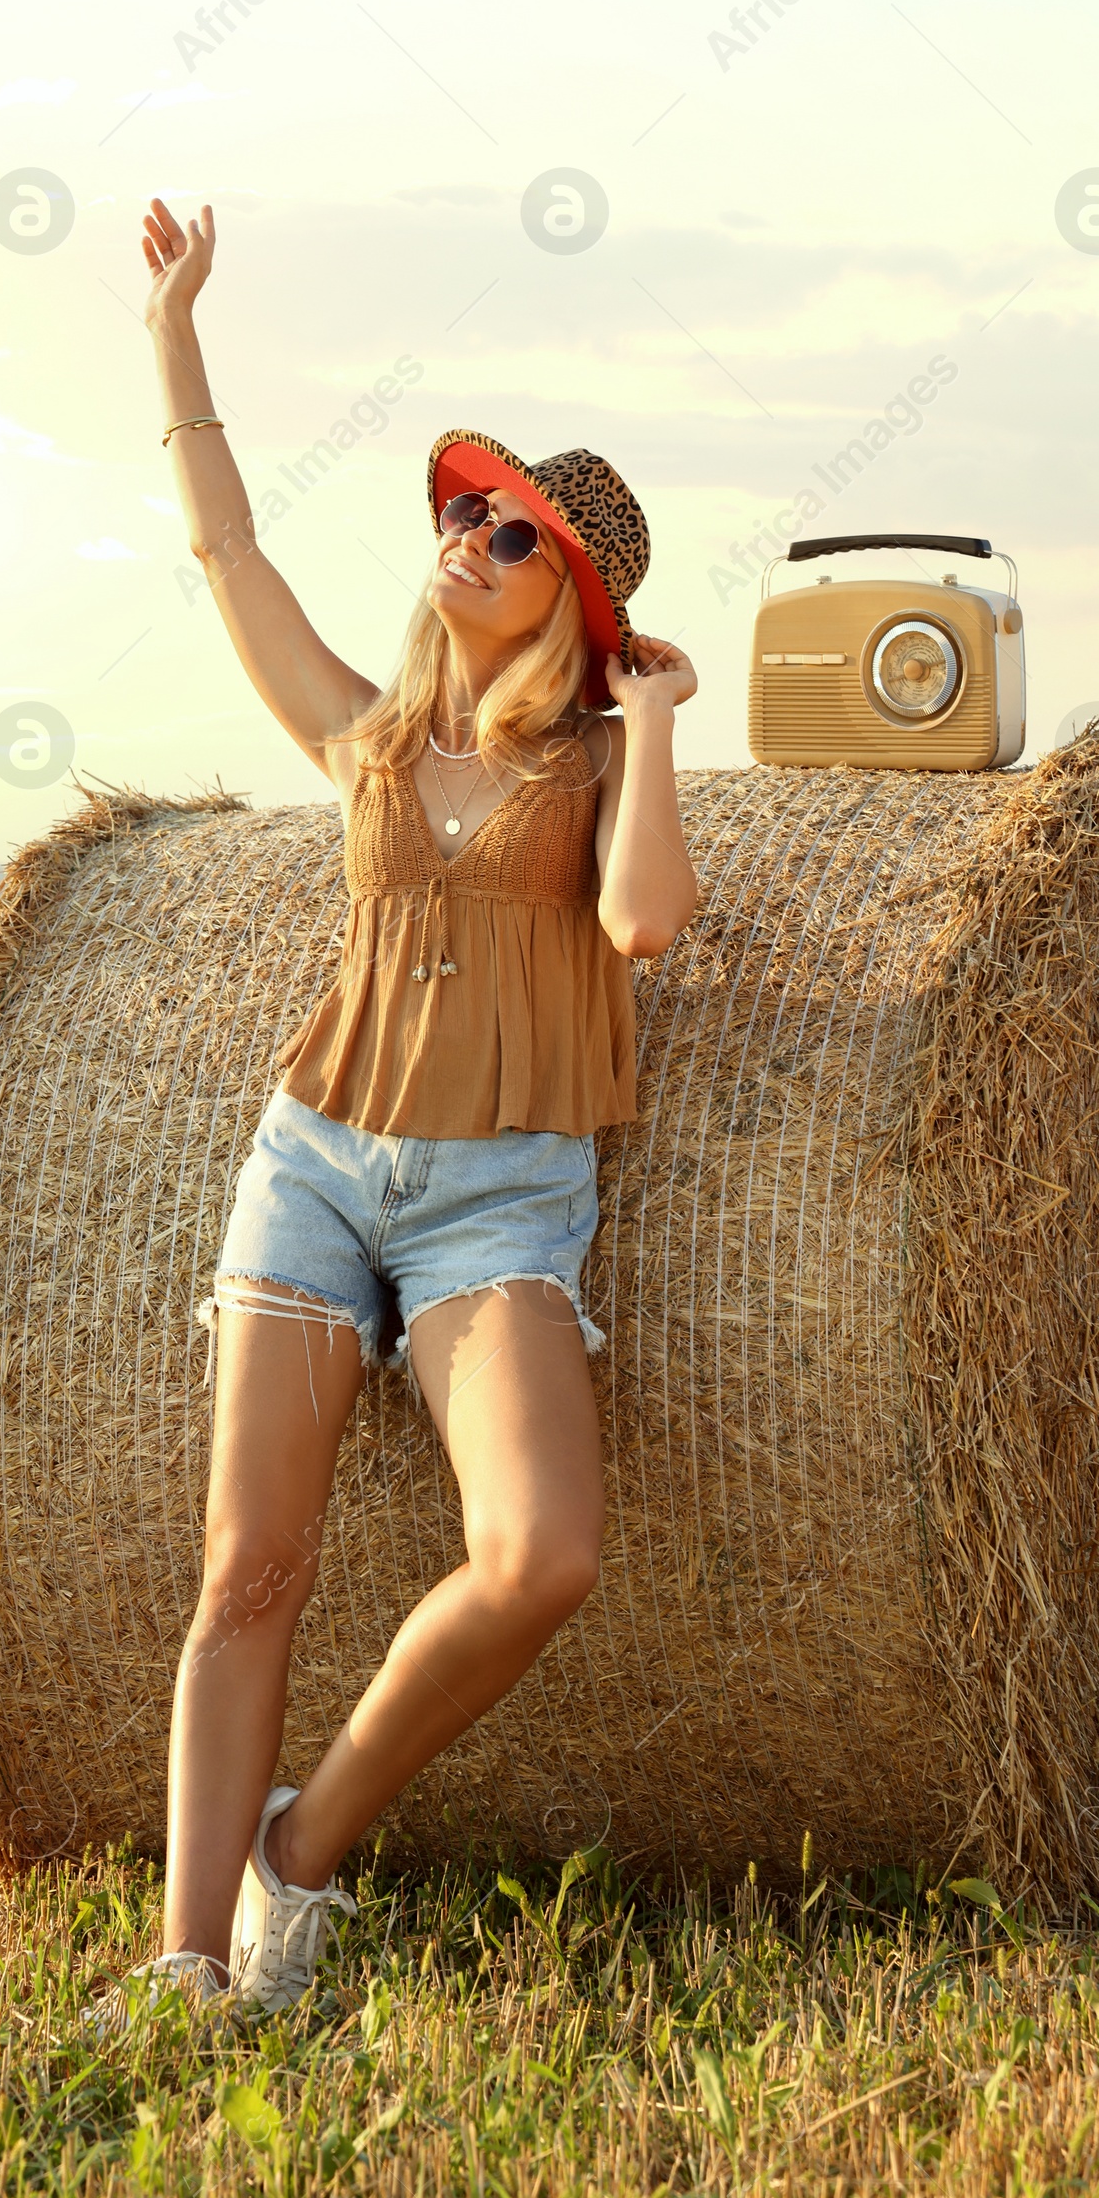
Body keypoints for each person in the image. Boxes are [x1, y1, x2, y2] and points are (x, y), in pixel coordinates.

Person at [90, 197, 698, 2033]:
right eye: (463, 508)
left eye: (515, 532)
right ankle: (191, 1966)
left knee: (542, 1558)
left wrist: (657, 724)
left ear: (575, 599)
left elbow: (646, 923)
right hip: (313, 1166)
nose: (472, 536)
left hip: (498, 1203)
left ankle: (313, 1843)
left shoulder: (592, 762)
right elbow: (228, 552)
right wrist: (172, 334)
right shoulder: (361, 737)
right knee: (248, 1571)